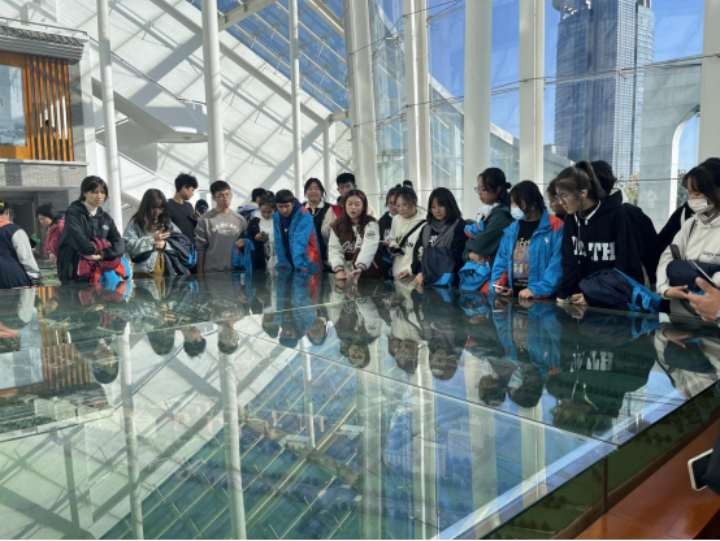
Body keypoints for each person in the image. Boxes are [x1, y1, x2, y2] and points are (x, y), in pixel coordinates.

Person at [554, 162, 648, 304]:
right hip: (580, 301)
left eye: (564, 195)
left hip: (613, 303)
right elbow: (569, 264)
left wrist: (593, 296)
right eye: (558, 196)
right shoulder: (571, 219)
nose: (560, 202)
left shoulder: (618, 215)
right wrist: (563, 295)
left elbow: (625, 268)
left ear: (583, 193)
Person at [656, 160, 720, 314]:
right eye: (690, 193)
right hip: (682, 314)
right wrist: (665, 289)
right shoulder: (691, 224)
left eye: (697, 193)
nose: (692, 199)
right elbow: (667, 258)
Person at [491, 181, 564, 299]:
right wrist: (499, 285)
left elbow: (557, 267)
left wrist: (536, 290)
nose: (513, 207)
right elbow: (501, 262)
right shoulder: (511, 230)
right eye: (512, 203)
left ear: (533, 204)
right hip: (515, 298)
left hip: (542, 301)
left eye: (517, 203)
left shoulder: (555, 227)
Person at [592, 160, 660, 284]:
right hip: (601, 287)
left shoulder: (628, 213)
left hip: (621, 287)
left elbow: (651, 250)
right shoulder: (579, 217)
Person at [57, 175, 125, 284]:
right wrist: (92, 251)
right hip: (74, 272)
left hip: (98, 273)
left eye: (102, 192)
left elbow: (119, 243)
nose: (99, 196)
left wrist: (102, 254)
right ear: (84, 193)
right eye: (94, 192)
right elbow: (78, 238)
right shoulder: (73, 214)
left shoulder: (106, 218)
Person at [124, 189, 190, 277]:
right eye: (153, 207)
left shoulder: (167, 223)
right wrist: (152, 240)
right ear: (146, 206)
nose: (157, 212)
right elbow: (128, 246)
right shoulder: (136, 223)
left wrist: (165, 245)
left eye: (160, 208)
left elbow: (182, 246)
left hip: (169, 272)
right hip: (144, 274)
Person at [412, 188, 466, 288]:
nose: (437, 210)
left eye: (441, 205)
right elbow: (417, 254)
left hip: (451, 285)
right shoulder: (426, 228)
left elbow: (459, 258)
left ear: (450, 205)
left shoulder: (459, 226)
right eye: (433, 207)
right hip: (425, 283)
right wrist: (419, 271)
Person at [195, 180, 247, 275]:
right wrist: (200, 276)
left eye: (227, 194)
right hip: (212, 272)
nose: (225, 198)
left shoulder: (240, 220)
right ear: (213, 198)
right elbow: (200, 249)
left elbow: (247, 245)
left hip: (236, 273)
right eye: (220, 195)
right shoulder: (205, 220)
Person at [328, 189, 381, 282]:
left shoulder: (371, 224)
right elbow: (334, 249)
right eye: (350, 204)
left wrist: (360, 267)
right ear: (344, 206)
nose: (353, 207)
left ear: (363, 207)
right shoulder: (337, 225)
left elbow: (369, 246)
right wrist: (338, 268)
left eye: (357, 204)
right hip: (346, 274)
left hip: (369, 273)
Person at [464, 167, 513, 264]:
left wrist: (467, 243)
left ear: (498, 189)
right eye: (478, 189)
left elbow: (480, 245)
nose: (479, 193)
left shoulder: (502, 215)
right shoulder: (493, 210)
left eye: (483, 189)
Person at [273, 189, 322, 273]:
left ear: (292, 204)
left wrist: (300, 265)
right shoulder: (276, 216)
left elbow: (300, 242)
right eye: (280, 207)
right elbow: (278, 242)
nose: (284, 210)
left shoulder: (304, 215)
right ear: (276, 206)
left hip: (307, 263)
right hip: (288, 264)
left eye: (287, 206)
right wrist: (282, 264)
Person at [387, 186, 425, 281]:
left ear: (414, 202)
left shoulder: (425, 221)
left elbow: (424, 252)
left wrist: (411, 270)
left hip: (414, 273)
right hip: (398, 270)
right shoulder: (396, 219)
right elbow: (392, 238)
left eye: (405, 204)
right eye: (398, 205)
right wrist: (393, 246)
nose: (401, 209)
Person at [0, 200, 40, 289]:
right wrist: (35, 278)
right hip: (14, 280)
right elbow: (26, 258)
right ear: (7, 212)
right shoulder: (14, 231)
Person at [303, 178, 341, 269]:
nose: (313, 191)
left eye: (316, 188)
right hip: (305, 257)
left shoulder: (331, 209)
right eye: (310, 189)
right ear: (305, 192)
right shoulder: (300, 209)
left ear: (322, 191)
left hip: (326, 256)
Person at [246, 193, 276, 271]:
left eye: (269, 212)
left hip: (276, 259)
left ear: (274, 209)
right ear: (259, 208)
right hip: (259, 261)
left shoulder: (278, 221)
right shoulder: (254, 222)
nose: (266, 215)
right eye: (263, 212)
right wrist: (255, 238)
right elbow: (248, 238)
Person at [166, 173, 199, 244]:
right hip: (177, 247)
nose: (193, 194)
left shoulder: (189, 206)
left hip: (192, 246)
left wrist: (197, 220)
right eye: (192, 190)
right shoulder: (167, 206)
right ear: (184, 187)